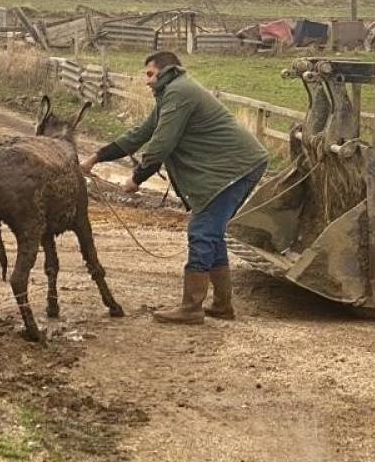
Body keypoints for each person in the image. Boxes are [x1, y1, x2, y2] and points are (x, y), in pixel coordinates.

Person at [81, 51, 269, 325]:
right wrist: (95, 157)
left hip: (234, 169)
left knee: (202, 231)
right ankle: (222, 305)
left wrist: (137, 178)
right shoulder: (172, 95)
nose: (146, 81)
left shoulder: (179, 94)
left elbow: (161, 144)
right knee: (211, 233)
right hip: (233, 168)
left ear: (166, 72)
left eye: (149, 74)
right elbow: (140, 134)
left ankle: (192, 307)